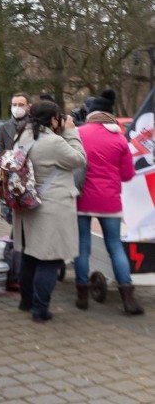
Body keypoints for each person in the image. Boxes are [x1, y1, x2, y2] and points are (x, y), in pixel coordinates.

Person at [12, 100, 86, 322]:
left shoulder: (21, 136)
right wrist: (72, 133)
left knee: (30, 256)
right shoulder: (53, 142)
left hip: (26, 205)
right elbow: (80, 159)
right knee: (50, 259)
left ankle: (26, 301)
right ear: (53, 119)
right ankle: (40, 309)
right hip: (51, 207)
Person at [74, 90, 143, 315]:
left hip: (82, 199)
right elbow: (127, 175)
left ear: (91, 113)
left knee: (82, 247)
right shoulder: (119, 139)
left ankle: (82, 296)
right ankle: (127, 296)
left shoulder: (78, 133)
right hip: (110, 201)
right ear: (110, 114)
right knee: (115, 246)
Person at [0, 92, 30, 225]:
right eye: (14, 104)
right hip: (11, 176)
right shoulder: (5, 127)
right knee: (12, 217)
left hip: (29, 177)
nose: (17, 107)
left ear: (28, 107)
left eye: (21, 104)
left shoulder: (34, 126)